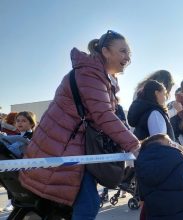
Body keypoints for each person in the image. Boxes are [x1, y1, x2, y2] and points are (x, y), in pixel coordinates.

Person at [19, 30, 140, 219]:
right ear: (106, 51)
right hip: (62, 149)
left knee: (80, 205)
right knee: (88, 204)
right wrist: (135, 145)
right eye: (123, 51)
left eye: (129, 53)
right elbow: (103, 115)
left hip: (70, 148)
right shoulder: (90, 74)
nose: (128, 57)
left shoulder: (98, 75)